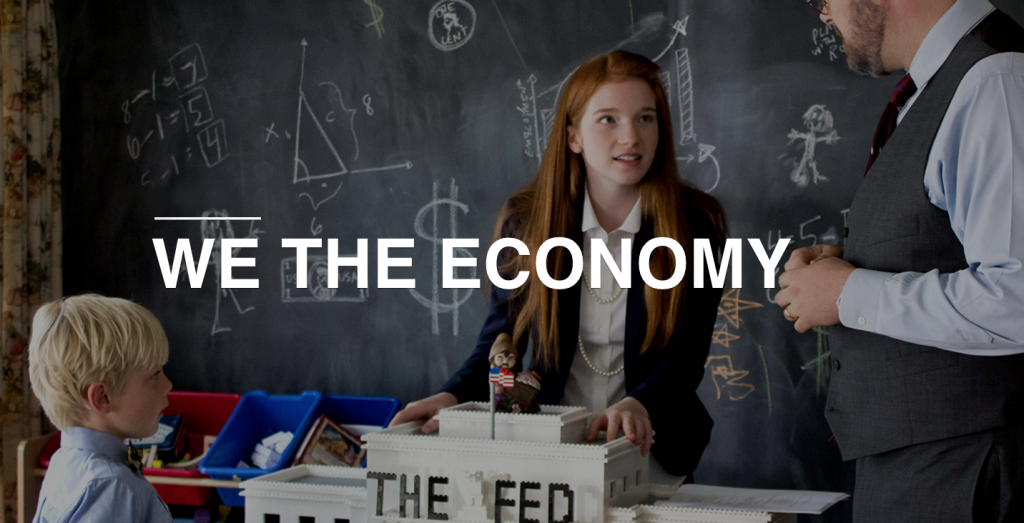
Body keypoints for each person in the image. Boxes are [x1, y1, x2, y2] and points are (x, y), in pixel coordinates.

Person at [391, 50, 728, 481]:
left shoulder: (696, 225)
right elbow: (501, 337)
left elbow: (688, 352)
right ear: (574, 137)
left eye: (645, 118)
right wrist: (454, 395)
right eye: (608, 119)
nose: (631, 137)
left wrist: (636, 404)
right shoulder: (527, 224)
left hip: (652, 449)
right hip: (547, 450)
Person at [776, 0, 1024, 520]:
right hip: (928, 467)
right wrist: (853, 266)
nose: (822, 15)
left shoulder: (992, 80)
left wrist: (848, 294)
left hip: (967, 473)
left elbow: (1017, 296)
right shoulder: (944, 85)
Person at [28, 294, 174, 523]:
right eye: (154, 375)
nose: (168, 385)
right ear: (103, 396)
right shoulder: (110, 485)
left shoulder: (66, 462)